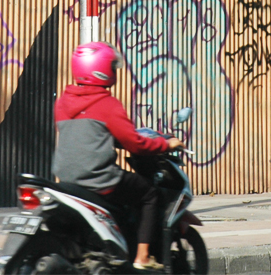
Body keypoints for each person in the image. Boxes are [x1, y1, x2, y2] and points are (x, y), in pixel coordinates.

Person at [52, 41, 183, 270]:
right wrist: (165, 143)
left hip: (67, 181)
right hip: (100, 178)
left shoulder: (63, 102)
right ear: (101, 70)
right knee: (149, 195)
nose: (115, 71)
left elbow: (86, 135)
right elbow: (136, 144)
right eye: (112, 66)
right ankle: (142, 257)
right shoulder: (106, 103)